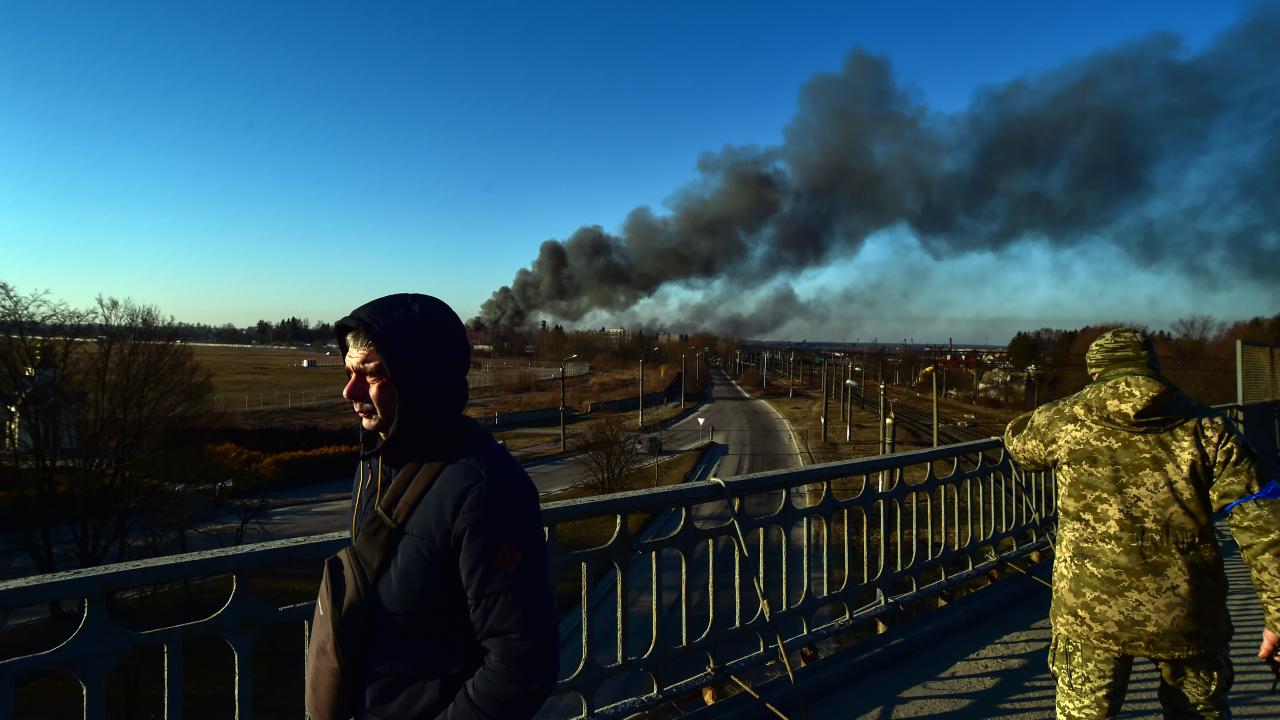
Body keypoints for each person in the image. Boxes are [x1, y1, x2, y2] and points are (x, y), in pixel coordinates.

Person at [1003, 327, 1280, 719]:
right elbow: (1262, 523)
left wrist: (1062, 407)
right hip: (1186, 613)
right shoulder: (1209, 428)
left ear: (1096, 372)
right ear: (1152, 367)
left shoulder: (1066, 421)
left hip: (1089, 614)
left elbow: (1019, 443)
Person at [335, 293, 558, 719]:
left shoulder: (486, 490)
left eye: (372, 374)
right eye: (349, 372)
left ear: (422, 381)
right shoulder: (380, 463)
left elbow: (520, 664)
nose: (350, 391)